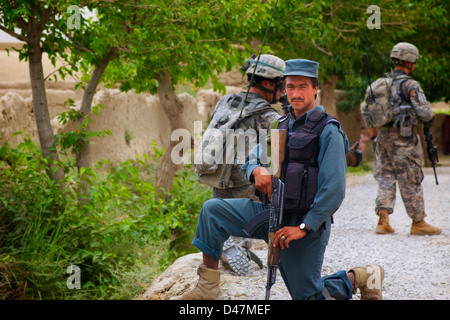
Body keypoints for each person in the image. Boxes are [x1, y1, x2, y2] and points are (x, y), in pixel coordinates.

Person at [171, 59, 384, 300]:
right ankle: (207, 291)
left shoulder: (329, 130)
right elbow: (251, 158)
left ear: (315, 89)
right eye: (290, 87)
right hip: (269, 214)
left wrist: (303, 227)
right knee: (212, 211)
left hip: (302, 224)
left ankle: (364, 275)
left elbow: (334, 190)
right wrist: (255, 171)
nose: (295, 93)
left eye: (303, 87)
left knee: (309, 297)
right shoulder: (279, 124)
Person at [195, 54, 286, 276]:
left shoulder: (226, 101)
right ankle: (235, 245)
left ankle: (223, 245)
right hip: (246, 179)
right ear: (267, 83)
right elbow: (275, 154)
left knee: (218, 213)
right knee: (259, 205)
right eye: (280, 85)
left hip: (219, 175)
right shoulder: (267, 115)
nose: (283, 91)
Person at [369, 42, 442, 236]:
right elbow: (425, 113)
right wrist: (431, 116)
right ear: (410, 62)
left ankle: (383, 220)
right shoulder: (410, 85)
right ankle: (418, 222)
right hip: (403, 138)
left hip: (383, 137)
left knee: (385, 175)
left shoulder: (382, 83)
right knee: (410, 176)